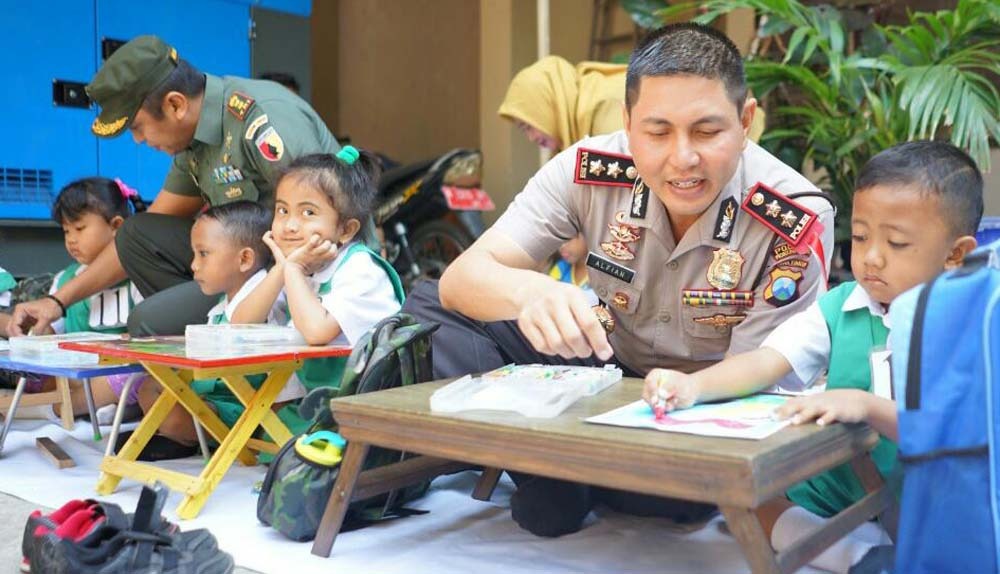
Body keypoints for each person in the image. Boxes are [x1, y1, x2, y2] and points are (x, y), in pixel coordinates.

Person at [404, 22, 836, 538]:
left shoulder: (794, 217)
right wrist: (535, 291)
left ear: (745, 121)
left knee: (675, 495)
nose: (683, 158)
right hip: (598, 362)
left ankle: (556, 466)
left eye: (707, 131)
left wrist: (675, 399)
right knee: (429, 314)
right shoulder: (586, 168)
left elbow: (758, 378)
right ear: (627, 123)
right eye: (657, 132)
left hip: (695, 400)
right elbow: (463, 278)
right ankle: (552, 466)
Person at [643, 140, 983, 573]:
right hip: (836, 488)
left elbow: (953, 432)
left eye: (897, 244)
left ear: (956, 254)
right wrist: (693, 385)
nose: (871, 257)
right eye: (860, 237)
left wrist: (865, 406)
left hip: (929, 496)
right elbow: (768, 360)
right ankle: (861, 558)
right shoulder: (840, 306)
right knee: (747, 503)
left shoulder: (970, 326)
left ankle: (879, 546)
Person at [7, 35, 341, 339]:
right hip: (248, 266)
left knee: (147, 323)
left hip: (310, 268)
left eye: (138, 127)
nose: (138, 141)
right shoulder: (192, 145)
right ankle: (221, 330)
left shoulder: (262, 119)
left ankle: (226, 365)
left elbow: (323, 220)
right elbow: (137, 240)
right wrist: (57, 301)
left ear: (176, 105)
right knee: (135, 235)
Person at [116, 201, 290, 459]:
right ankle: (190, 437)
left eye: (203, 254)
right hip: (208, 396)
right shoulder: (221, 306)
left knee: (171, 415)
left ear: (244, 259)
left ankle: (197, 436)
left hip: (239, 407)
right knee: (148, 386)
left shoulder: (266, 294)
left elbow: (242, 326)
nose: (194, 265)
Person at [232, 147, 404, 406]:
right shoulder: (300, 265)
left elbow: (316, 331)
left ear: (346, 230)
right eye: (282, 211)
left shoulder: (361, 269)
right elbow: (241, 325)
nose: (289, 226)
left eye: (308, 213)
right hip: (315, 405)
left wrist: (292, 270)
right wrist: (281, 269)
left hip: (360, 409)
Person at [498, 54, 765, 152]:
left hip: (736, 150)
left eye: (528, 125)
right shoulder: (584, 105)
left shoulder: (605, 109)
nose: (532, 137)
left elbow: (640, 189)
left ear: (548, 105)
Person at [41, 177, 147, 418]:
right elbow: (52, 336)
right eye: (66, 230)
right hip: (76, 375)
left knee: (136, 376)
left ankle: (69, 408)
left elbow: (150, 338)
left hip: (118, 374)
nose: (71, 239)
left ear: (116, 226)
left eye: (80, 229)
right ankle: (83, 406)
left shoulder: (138, 278)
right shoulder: (65, 280)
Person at [547, 235, 595, 303]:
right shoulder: (561, 268)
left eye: (568, 238)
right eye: (559, 239)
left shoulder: (601, 275)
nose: (562, 246)